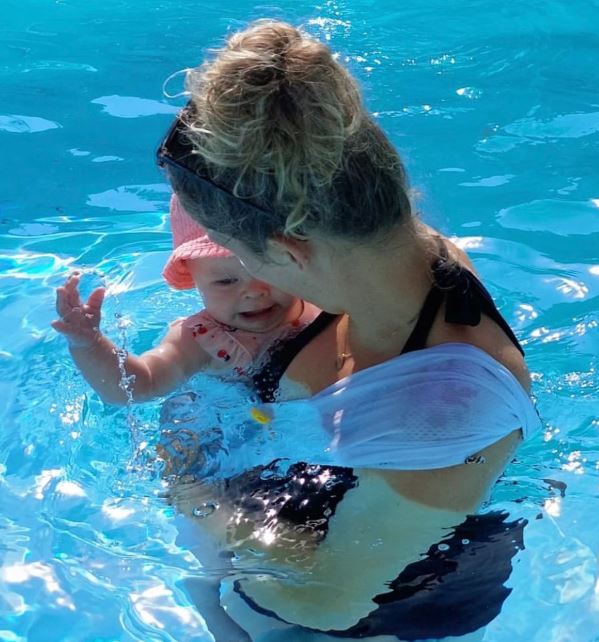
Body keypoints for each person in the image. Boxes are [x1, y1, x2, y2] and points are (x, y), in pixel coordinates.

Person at [155, 19, 541, 640]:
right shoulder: (390, 255)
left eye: (237, 256)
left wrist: (191, 489)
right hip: (332, 506)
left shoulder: (446, 415)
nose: (244, 280)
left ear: (289, 251)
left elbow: (320, 601)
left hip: (395, 601)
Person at [51, 194, 318, 405]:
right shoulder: (200, 340)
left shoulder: (319, 297)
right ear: (193, 277)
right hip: (218, 428)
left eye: (268, 271)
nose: (255, 292)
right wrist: (90, 344)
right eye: (226, 281)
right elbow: (143, 384)